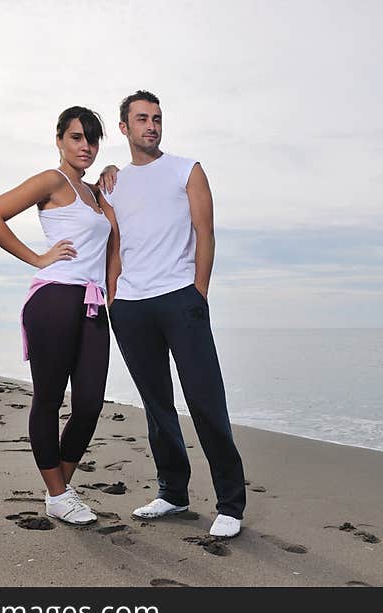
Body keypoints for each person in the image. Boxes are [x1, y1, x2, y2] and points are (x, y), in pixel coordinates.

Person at [98, 90, 246, 537]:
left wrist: (198, 293)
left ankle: (231, 505)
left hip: (180, 298)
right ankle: (173, 493)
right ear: (124, 128)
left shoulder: (187, 169)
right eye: (142, 118)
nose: (152, 125)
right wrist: (112, 297)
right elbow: (114, 245)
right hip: (130, 306)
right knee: (157, 405)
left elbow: (206, 234)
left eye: (157, 118)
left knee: (205, 399)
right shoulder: (112, 182)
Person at [0, 106, 117, 525]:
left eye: (92, 139)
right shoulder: (52, 181)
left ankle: (60, 491)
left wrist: (110, 173)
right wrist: (37, 258)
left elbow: (113, 247)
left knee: (90, 402)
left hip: (93, 301)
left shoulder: (96, 192)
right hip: (54, 297)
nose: (85, 146)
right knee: (50, 400)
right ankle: (58, 492)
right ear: (59, 140)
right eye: (76, 137)